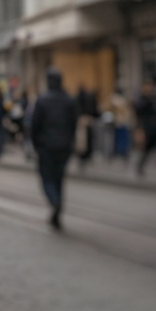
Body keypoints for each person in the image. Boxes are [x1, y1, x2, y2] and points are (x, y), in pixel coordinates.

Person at [29, 68, 79, 230]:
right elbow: (73, 124)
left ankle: (54, 201)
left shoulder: (42, 100)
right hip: (64, 146)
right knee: (59, 178)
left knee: (47, 177)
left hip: (46, 146)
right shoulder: (69, 100)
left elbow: (35, 125)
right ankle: (58, 208)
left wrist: (35, 144)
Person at [134, 80, 156, 177]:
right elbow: (138, 114)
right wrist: (139, 130)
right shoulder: (142, 100)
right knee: (147, 149)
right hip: (147, 128)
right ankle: (140, 167)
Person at [75, 85, 98, 169]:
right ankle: (86, 155)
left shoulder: (78, 98)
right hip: (88, 120)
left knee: (82, 140)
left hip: (82, 120)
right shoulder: (89, 97)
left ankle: (83, 156)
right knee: (87, 139)